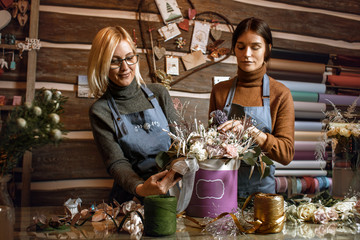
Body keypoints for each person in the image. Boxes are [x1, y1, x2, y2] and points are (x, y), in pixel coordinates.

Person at [88, 26, 181, 204]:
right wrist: (141, 188)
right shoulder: (100, 110)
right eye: (115, 61)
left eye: (130, 58)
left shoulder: (159, 93)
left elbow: (180, 143)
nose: (125, 67)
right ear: (102, 63)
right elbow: (116, 162)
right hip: (131, 197)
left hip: (172, 193)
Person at [209, 17, 295, 197]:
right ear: (234, 49)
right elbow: (210, 146)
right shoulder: (220, 91)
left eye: (255, 47)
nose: (247, 54)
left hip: (262, 196)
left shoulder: (280, 94)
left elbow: (286, 154)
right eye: (241, 47)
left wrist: (250, 131)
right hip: (221, 190)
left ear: (267, 50)